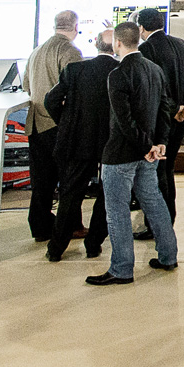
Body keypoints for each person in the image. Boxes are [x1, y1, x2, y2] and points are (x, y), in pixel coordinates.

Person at [85, 22, 178, 286]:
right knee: (154, 202)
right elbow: (164, 109)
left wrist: (145, 146)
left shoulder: (118, 74)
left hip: (122, 154)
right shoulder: (155, 70)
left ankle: (122, 268)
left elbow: (124, 122)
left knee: (116, 211)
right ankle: (168, 256)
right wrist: (158, 143)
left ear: (117, 43)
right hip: (147, 153)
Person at [43, 27, 117, 262]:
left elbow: (51, 100)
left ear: (95, 45)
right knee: (107, 196)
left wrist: (65, 122)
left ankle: (56, 249)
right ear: (116, 46)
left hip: (78, 141)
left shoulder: (75, 70)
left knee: (70, 196)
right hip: (111, 143)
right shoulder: (121, 70)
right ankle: (93, 244)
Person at [135, 7, 184, 235]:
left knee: (155, 172)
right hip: (182, 121)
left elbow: (156, 87)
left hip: (159, 122)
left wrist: (174, 109)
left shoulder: (146, 49)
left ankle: (158, 224)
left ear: (141, 28)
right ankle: (167, 220)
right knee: (167, 169)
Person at [23, 10, 83, 242]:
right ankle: (72, 226)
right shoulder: (70, 51)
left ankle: (40, 228)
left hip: (35, 125)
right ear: (75, 27)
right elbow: (75, 88)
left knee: (41, 181)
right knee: (70, 178)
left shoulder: (36, 51)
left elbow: (27, 85)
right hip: (57, 124)